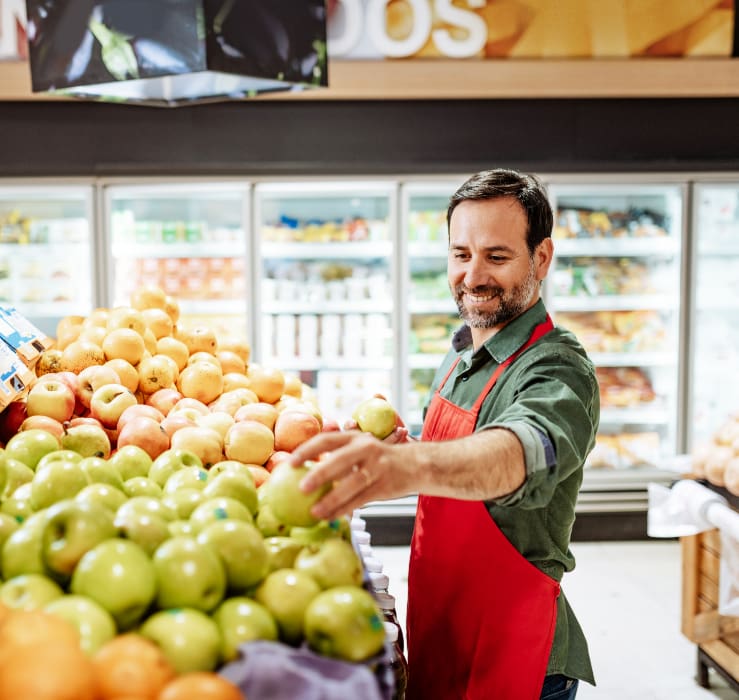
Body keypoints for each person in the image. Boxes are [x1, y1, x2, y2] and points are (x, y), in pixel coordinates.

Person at [289, 168, 600, 700]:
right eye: (461, 254)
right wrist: (400, 455)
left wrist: (410, 467)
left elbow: (520, 453)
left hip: (515, 657)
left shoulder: (558, 369)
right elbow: (453, 466)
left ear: (541, 258)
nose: (473, 275)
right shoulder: (461, 353)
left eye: (496, 257)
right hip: (442, 624)